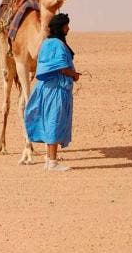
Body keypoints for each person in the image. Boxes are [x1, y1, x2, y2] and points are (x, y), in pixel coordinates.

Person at [24, 13, 80, 171]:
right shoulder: (56, 44)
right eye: (66, 26)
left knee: (50, 121)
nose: (68, 28)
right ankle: (53, 162)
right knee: (54, 121)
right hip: (55, 90)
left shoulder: (47, 43)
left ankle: (49, 159)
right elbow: (61, 67)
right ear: (61, 27)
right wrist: (74, 75)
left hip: (48, 88)